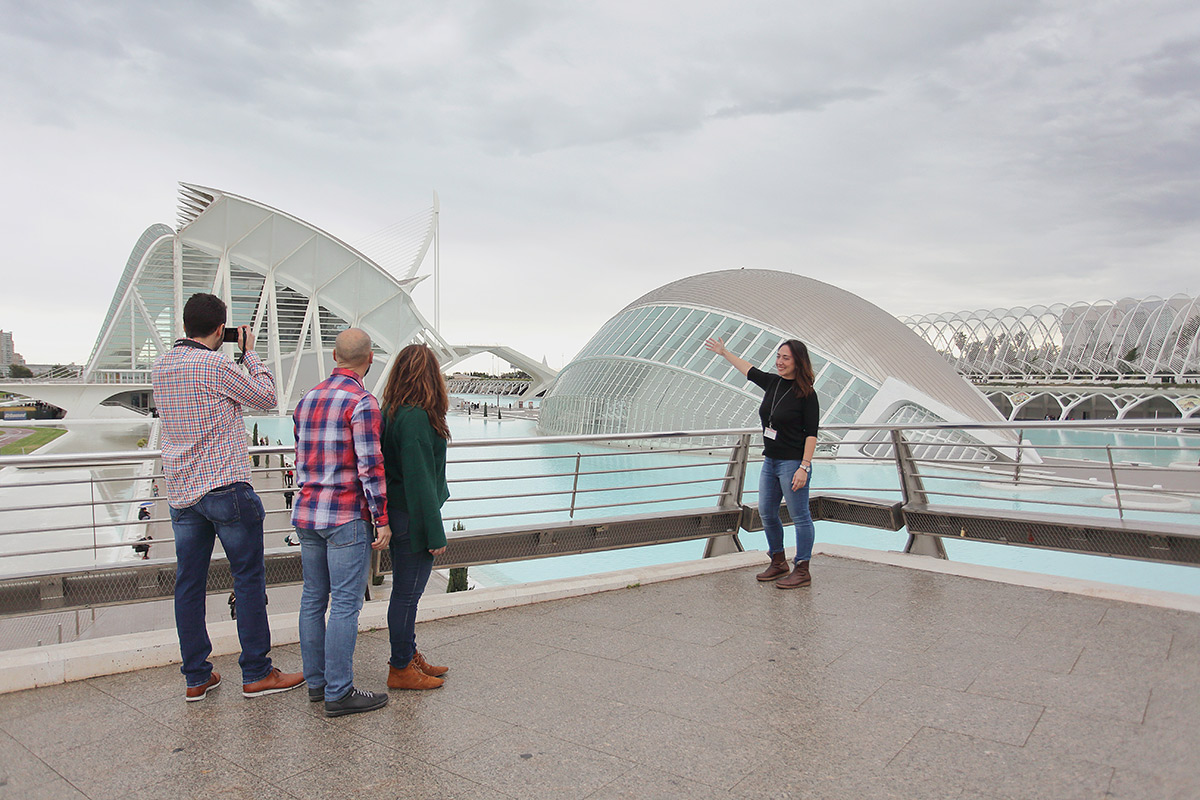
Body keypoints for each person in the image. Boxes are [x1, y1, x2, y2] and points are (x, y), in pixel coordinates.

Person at [152, 292, 304, 702]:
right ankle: (256, 672)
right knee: (248, 580)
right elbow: (267, 397)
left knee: (189, 585)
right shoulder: (218, 364)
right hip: (224, 488)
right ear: (222, 330)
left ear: (185, 326)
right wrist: (250, 354)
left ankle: (196, 676)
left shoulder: (161, 367)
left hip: (182, 493)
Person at [292, 328, 393, 717]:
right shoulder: (363, 403)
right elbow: (370, 466)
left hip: (307, 512)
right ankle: (338, 692)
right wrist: (380, 518)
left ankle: (316, 684)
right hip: (345, 516)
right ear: (370, 360)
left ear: (334, 356)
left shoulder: (307, 400)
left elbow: (303, 459)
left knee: (313, 599)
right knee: (346, 603)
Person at [705, 335, 819, 588]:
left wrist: (804, 466)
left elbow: (812, 433)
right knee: (767, 512)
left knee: (800, 516)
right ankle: (778, 562)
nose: (779, 362)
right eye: (778, 356)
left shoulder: (807, 394)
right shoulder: (773, 383)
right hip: (771, 461)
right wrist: (724, 352)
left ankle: (802, 569)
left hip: (793, 463)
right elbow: (749, 370)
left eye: (785, 358)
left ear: (798, 362)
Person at [379, 343, 450, 690]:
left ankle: (407, 653)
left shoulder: (390, 410)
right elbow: (420, 478)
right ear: (430, 376)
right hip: (412, 515)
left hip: (400, 511)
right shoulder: (416, 418)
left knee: (405, 594)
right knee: (407, 596)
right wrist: (435, 534)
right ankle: (400, 667)